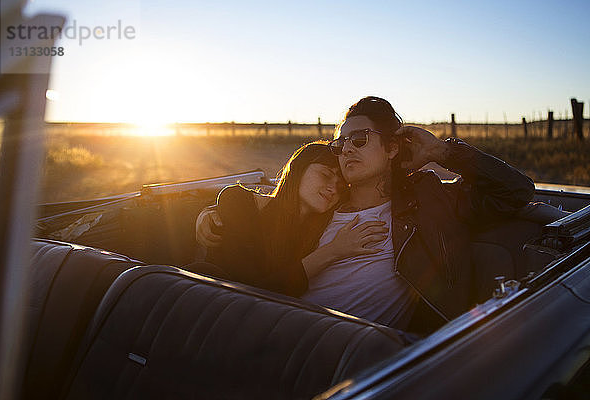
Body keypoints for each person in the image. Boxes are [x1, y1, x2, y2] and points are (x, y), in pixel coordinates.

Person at [197, 96, 535, 333]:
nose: (346, 149)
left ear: (391, 148)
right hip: (282, 330)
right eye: (340, 143)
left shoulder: (429, 201)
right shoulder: (321, 205)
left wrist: (441, 151)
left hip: (359, 354)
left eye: (359, 139)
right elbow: (267, 214)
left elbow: (516, 190)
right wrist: (221, 208)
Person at [204, 141, 390, 297]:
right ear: (298, 170)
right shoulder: (237, 199)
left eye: (340, 187)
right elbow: (252, 290)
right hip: (208, 304)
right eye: (325, 175)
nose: (333, 189)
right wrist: (334, 251)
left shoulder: (320, 230)